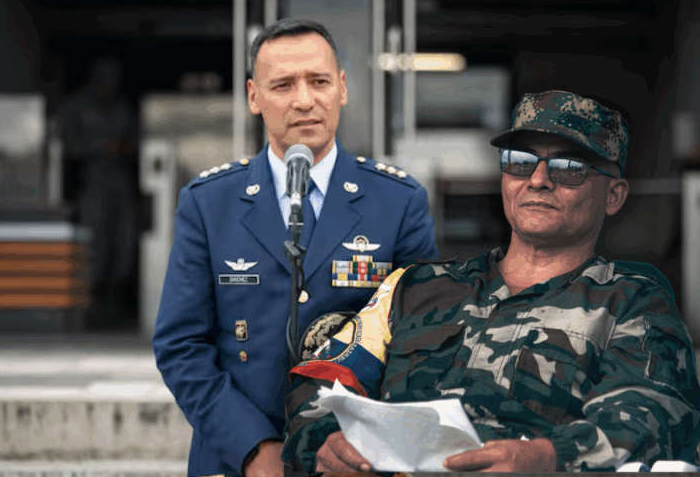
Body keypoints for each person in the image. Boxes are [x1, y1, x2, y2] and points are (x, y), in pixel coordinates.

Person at [281, 90, 700, 472]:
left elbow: (653, 418)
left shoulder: (631, 301)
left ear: (613, 195)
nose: (538, 179)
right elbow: (322, 377)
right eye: (520, 161)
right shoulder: (414, 287)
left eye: (569, 168)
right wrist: (326, 441)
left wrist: (547, 458)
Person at [151, 19, 438, 477]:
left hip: (357, 458)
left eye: (319, 82)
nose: (304, 100)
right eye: (283, 85)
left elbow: (421, 339)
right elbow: (180, 344)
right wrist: (252, 447)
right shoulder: (209, 203)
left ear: (342, 88)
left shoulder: (398, 201)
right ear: (253, 96)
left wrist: (357, 444)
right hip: (236, 460)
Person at [57, 56, 139, 327]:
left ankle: (114, 301)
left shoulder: (122, 108)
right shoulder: (76, 107)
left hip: (119, 178)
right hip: (89, 179)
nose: (108, 84)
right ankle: (87, 306)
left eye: (113, 78)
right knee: (93, 243)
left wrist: (122, 148)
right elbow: (61, 145)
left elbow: (136, 141)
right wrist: (97, 147)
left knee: (124, 240)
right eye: (104, 78)